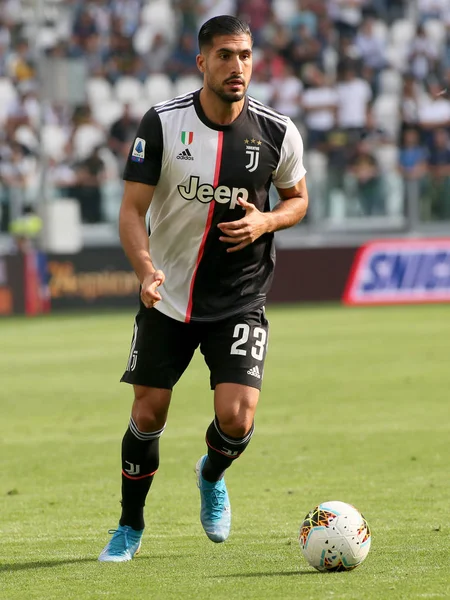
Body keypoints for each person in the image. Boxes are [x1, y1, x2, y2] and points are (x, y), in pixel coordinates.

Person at [98, 14, 308, 562]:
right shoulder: (162, 124)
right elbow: (131, 210)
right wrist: (145, 269)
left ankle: (210, 475)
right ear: (202, 61)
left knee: (238, 418)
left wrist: (265, 222)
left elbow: (298, 199)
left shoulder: (278, 131)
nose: (237, 67)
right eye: (224, 56)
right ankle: (130, 526)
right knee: (148, 415)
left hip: (239, 295)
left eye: (244, 55)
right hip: (168, 295)